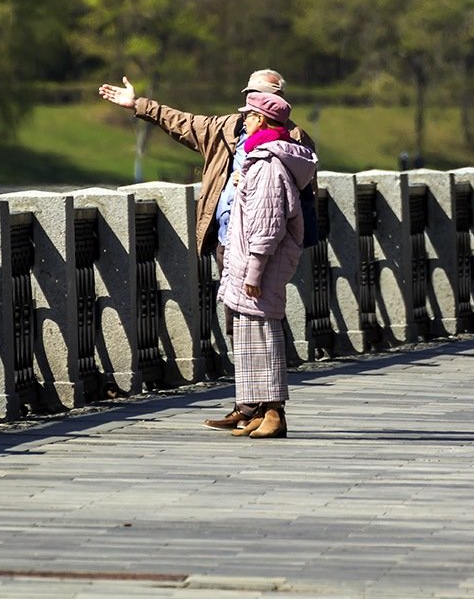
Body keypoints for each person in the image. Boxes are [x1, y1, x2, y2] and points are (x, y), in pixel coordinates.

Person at [97, 69, 316, 430]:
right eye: (249, 96)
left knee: (261, 323)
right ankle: (249, 406)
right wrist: (137, 105)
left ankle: (270, 408)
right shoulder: (228, 129)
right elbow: (182, 122)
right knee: (240, 325)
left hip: (262, 245)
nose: (248, 108)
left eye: (257, 100)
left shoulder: (286, 142)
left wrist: (263, 258)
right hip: (228, 240)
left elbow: (274, 210)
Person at [218, 91, 317, 439]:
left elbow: (268, 222)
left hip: (260, 263)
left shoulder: (268, 162)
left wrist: (255, 270)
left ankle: (274, 412)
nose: (243, 120)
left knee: (262, 337)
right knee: (250, 337)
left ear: (260, 120)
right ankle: (261, 411)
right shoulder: (263, 159)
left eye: (248, 115)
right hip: (252, 260)